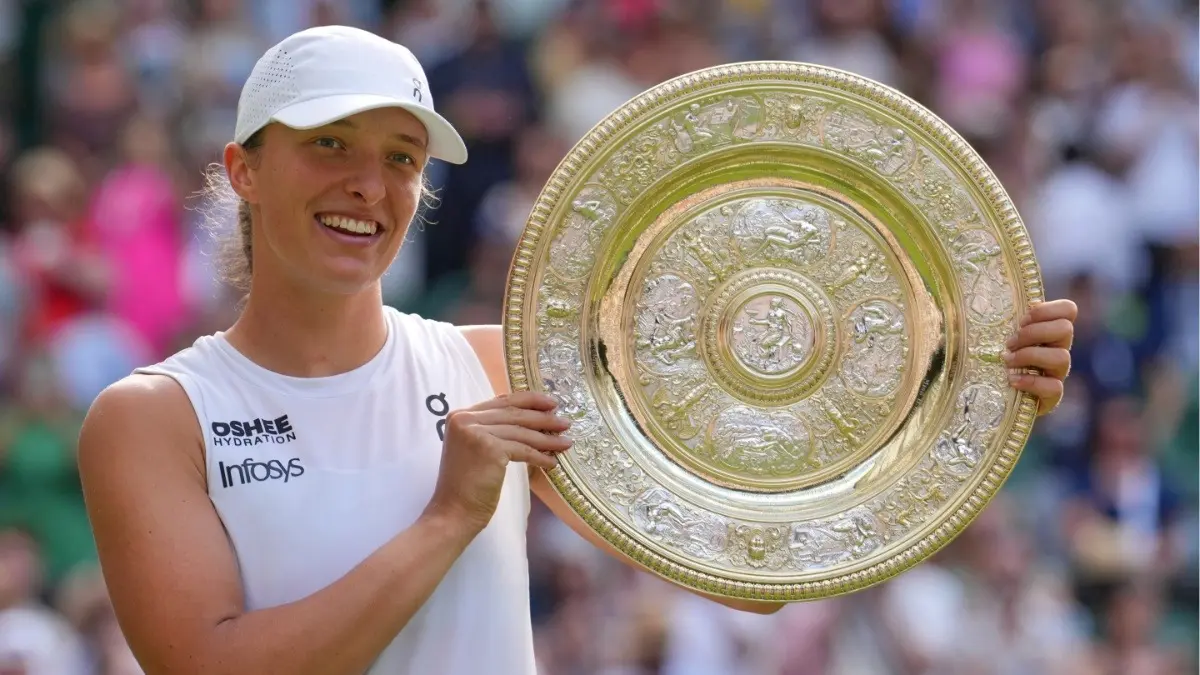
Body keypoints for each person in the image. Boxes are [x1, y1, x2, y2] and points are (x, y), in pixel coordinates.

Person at [76, 25, 1079, 675]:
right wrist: (447, 519)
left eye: (400, 158)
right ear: (244, 170)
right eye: (329, 145)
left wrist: (977, 376)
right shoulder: (154, 416)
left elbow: (753, 572)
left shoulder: (497, 362)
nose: (368, 187)